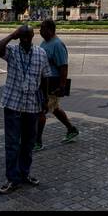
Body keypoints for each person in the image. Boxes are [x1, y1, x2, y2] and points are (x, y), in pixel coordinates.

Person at [0, 24, 50, 194]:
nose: (25, 40)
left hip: (32, 105)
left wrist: (45, 99)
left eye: (27, 36)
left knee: (28, 143)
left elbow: (45, 77)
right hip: (13, 104)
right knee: (12, 144)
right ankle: (12, 178)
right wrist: (12, 34)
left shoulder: (41, 53)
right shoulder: (12, 51)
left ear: (32, 37)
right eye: (22, 36)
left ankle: (24, 174)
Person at [35, 19, 78, 151]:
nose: (40, 31)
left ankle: (37, 142)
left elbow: (63, 67)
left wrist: (62, 85)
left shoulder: (57, 44)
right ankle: (71, 129)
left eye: (42, 28)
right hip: (43, 82)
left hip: (52, 82)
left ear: (49, 29)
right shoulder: (45, 42)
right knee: (54, 108)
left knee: (41, 111)